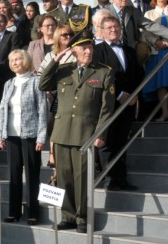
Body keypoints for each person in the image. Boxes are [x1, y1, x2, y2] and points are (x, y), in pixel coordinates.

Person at [39, 32, 114, 233]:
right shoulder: (64, 70)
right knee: (64, 176)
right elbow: (43, 84)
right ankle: (68, 216)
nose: (88, 51)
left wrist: (100, 133)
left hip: (85, 134)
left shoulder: (103, 72)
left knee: (82, 178)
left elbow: (107, 108)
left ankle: (82, 218)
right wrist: (56, 60)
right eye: (83, 48)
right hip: (62, 132)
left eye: (90, 48)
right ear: (75, 51)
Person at [0, 50, 47, 225]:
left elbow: (42, 110)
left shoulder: (36, 82)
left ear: (25, 60)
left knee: (32, 175)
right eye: (12, 60)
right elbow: (2, 109)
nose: (15, 62)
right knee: (14, 174)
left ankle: (33, 212)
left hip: (30, 135)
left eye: (18, 59)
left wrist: (41, 137)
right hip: (11, 135)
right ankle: (13, 211)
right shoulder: (9, 83)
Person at [93, 16, 143, 192]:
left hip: (128, 105)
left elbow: (138, 74)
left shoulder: (129, 50)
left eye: (116, 27)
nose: (113, 30)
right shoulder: (97, 50)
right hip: (108, 105)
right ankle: (109, 178)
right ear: (102, 31)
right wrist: (119, 95)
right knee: (107, 143)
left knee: (122, 142)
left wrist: (135, 94)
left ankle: (121, 179)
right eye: (109, 28)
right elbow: (99, 78)